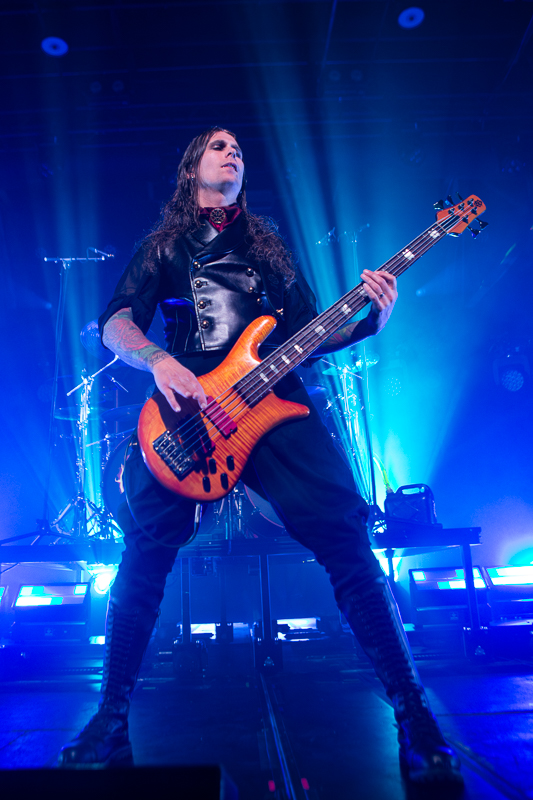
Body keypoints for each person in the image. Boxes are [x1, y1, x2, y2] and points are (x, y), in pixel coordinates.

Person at [58, 127, 462, 785]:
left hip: (273, 402)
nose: (233, 151)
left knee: (345, 539)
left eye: (239, 148)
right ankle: (109, 721)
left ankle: (415, 720)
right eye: (218, 146)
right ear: (191, 168)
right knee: (146, 550)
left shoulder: (269, 248)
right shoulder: (163, 247)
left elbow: (312, 331)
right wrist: (159, 360)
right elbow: (116, 323)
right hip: (191, 406)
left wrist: (371, 319)